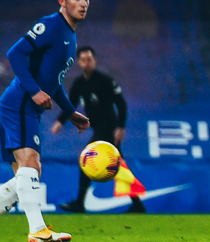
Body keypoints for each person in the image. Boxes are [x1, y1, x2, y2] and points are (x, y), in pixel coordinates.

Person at [0, 0, 91, 242]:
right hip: (19, 104)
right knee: (31, 165)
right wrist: (34, 90)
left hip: (26, 107)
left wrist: (70, 111)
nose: (83, 3)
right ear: (62, 1)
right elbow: (15, 53)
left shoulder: (70, 36)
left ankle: (37, 228)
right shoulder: (51, 25)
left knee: (27, 175)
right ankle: (38, 229)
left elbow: (54, 80)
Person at [53, 46, 145, 214]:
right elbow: (70, 104)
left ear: (94, 61)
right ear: (79, 62)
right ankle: (137, 204)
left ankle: (79, 203)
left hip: (108, 128)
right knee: (118, 165)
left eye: (89, 60)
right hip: (99, 128)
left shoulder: (105, 81)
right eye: (83, 60)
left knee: (87, 159)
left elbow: (121, 104)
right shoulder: (79, 84)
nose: (86, 63)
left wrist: (121, 127)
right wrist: (60, 121)